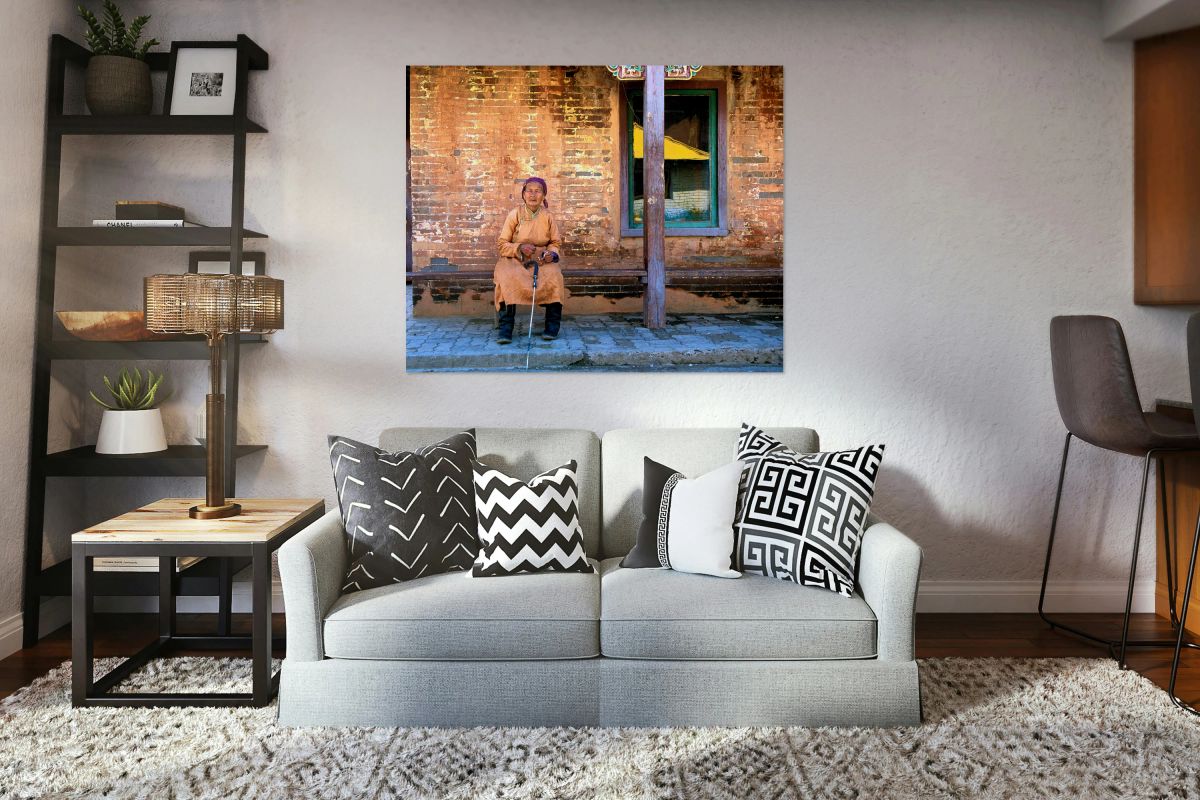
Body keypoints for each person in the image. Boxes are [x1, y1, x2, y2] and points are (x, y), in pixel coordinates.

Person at [493, 176, 566, 343]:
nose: (533, 195)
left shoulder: (548, 216)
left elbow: (555, 242)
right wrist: (519, 247)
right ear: (524, 195)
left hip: (540, 259)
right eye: (529, 191)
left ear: (543, 195)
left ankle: (552, 327)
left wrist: (551, 254)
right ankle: (505, 329)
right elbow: (502, 243)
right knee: (507, 277)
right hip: (514, 258)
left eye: (538, 191)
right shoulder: (515, 214)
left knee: (554, 276)